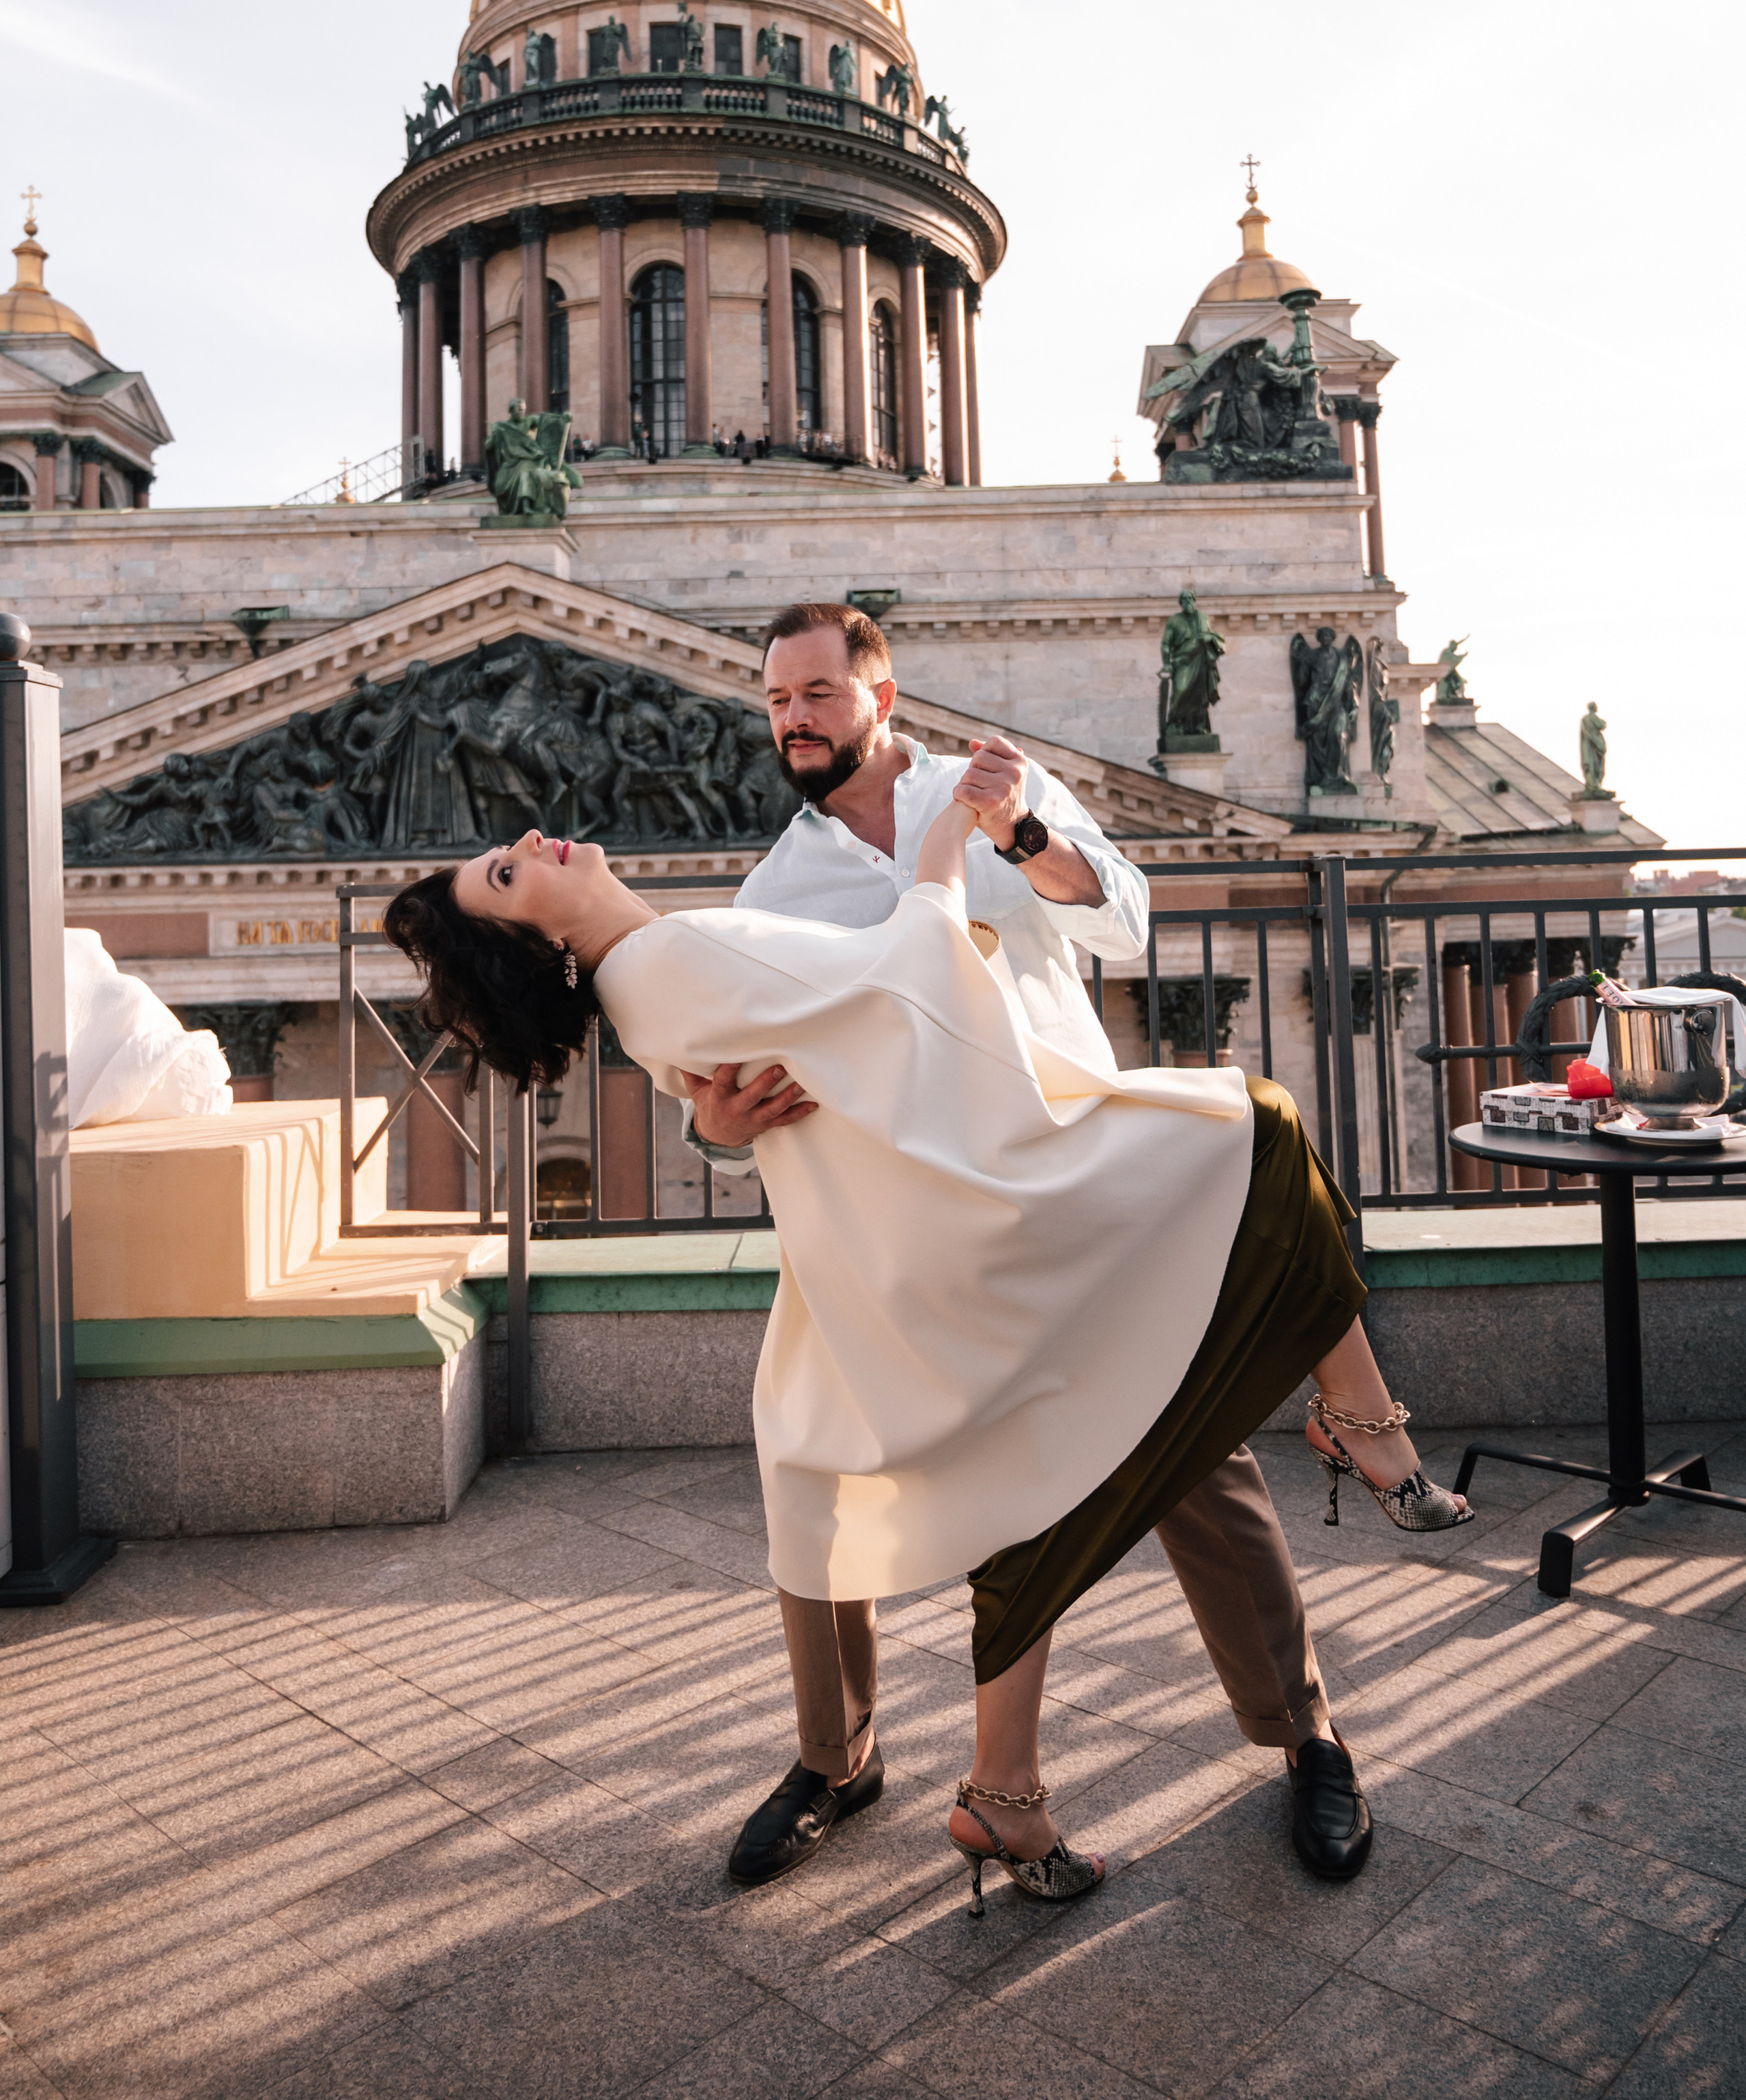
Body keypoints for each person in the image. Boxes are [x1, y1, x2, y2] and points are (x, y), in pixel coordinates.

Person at [383, 609, 1472, 1912]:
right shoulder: (773, 889)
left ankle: (1305, 1733)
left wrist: (1011, 837)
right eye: (777, 697)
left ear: (880, 690)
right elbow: (738, 1066)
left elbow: (1123, 922)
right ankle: (844, 1762)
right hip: (901, 1225)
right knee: (811, 1464)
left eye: (820, 691)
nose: (795, 715)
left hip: (1066, 1159)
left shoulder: (990, 785)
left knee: (1190, 1451)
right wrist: (712, 1128)